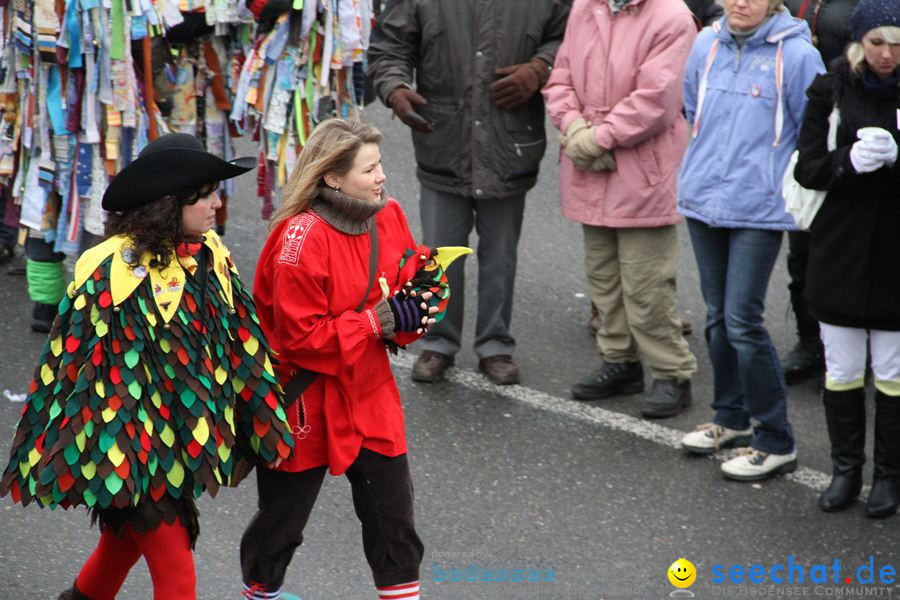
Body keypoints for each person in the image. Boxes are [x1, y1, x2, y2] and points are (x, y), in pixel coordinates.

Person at [0, 133, 294, 600]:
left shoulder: (211, 256)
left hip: (174, 443)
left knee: (120, 548)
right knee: (177, 575)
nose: (218, 205)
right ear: (172, 202)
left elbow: (245, 346)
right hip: (126, 447)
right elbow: (71, 371)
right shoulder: (108, 271)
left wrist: (266, 426)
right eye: (208, 195)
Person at [242, 119, 457, 600]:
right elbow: (300, 338)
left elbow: (410, 278)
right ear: (332, 178)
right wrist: (377, 321)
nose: (382, 177)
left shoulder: (390, 213)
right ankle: (260, 593)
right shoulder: (298, 241)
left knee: (394, 521)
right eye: (370, 169)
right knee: (281, 525)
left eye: (380, 165)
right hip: (303, 400)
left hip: (369, 388)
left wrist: (421, 307)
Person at [367, 0, 572, 386]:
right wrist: (394, 88)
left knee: (500, 256)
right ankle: (438, 342)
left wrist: (540, 67)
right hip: (444, 141)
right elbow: (389, 47)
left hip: (508, 143)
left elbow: (571, 36)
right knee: (440, 255)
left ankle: (495, 345)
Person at [677, 0, 825, 479]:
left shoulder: (798, 55)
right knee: (718, 317)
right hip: (704, 199)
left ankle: (776, 438)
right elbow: (692, 108)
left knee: (742, 319)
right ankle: (730, 418)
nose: (740, 2)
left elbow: (813, 127)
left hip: (759, 208)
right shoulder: (706, 42)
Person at [542, 0, 699, 419]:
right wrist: (575, 127)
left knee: (647, 283)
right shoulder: (585, 8)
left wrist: (595, 139)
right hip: (589, 160)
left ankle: (671, 373)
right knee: (604, 277)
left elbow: (658, 100)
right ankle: (620, 361)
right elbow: (560, 80)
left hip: (640, 168)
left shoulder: (672, 17)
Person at [793, 0, 899, 516]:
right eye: (877, 42)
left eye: (898, 43)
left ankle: (888, 477)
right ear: (859, 43)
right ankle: (845, 471)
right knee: (842, 368)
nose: (887, 54)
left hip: (895, 258)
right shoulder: (828, 89)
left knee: (893, 371)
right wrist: (848, 163)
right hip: (838, 253)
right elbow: (807, 168)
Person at [779, 0, 860, 385]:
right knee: (803, 253)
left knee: (857, 253)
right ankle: (811, 342)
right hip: (810, 125)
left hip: (859, 121)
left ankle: (862, 347)